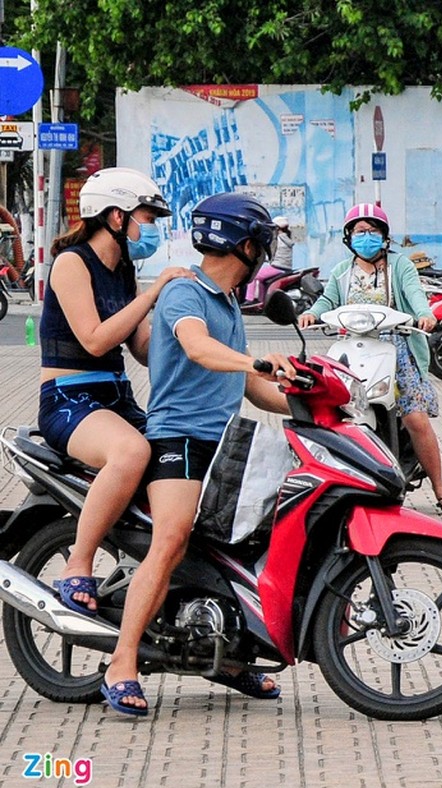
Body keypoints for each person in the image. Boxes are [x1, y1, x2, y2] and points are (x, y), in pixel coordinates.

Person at [100, 193, 295, 715]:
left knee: (248, 542)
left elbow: (253, 388)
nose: (266, 249)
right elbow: (198, 349)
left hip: (224, 440)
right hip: (179, 439)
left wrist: (309, 401)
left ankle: (229, 659)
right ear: (247, 244)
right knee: (172, 540)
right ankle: (122, 661)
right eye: (264, 240)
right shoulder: (186, 292)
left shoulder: (228, 300)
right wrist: (258, 362)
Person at [38, 167, 195, 617]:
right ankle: (77, 563)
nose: (150, 228)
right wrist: (154, 292)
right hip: (69, 399)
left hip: (116, 398)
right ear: (114, 215)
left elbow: (142, 348)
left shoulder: (122, 268)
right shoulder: (72, 262)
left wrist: (185, 324)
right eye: (146, 216)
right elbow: (94, 339)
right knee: (130, 452)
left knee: (179, 459)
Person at [298, 204, 442, 511]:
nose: (366, 237)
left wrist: (423, 314)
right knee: (335, 409)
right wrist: (311, 313)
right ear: (349, 237)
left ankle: (439, 487)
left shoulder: (400, 267)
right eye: (360, 231)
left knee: (415, 417)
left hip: (397, 347)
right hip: (354, 347)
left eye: (373, 231)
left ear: (384, 237)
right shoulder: (343, 271)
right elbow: (327, 300)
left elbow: (414, 294)